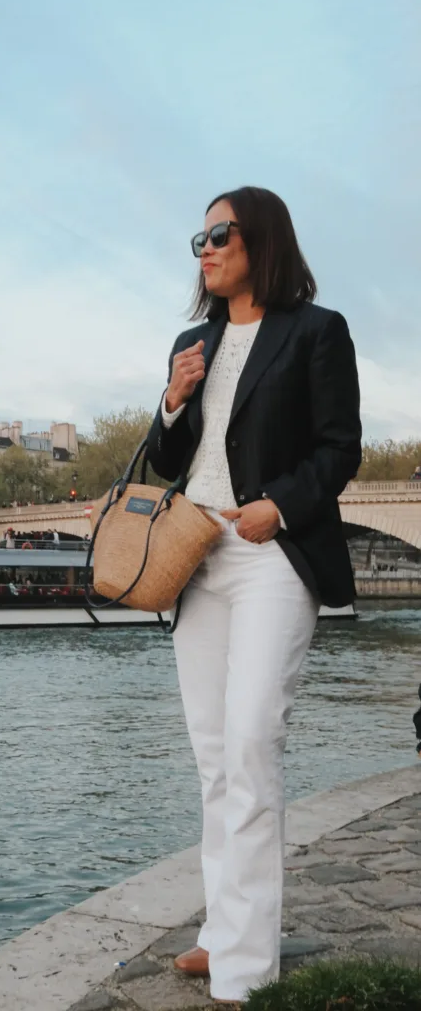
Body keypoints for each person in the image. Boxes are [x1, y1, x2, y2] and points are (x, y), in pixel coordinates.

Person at [146, 186, 362, 1006]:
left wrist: (279, 504)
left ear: (259, 238)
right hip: (194, 558)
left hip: (268, 552)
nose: (203, 246)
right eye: (197, 236)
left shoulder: (316, 331)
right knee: (211, 755)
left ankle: (246, 963)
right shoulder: (190, 340)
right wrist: (171, 398)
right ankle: (220, 931)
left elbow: (340, 447)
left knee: (248, 744)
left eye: (218, 232)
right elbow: (170, 462)